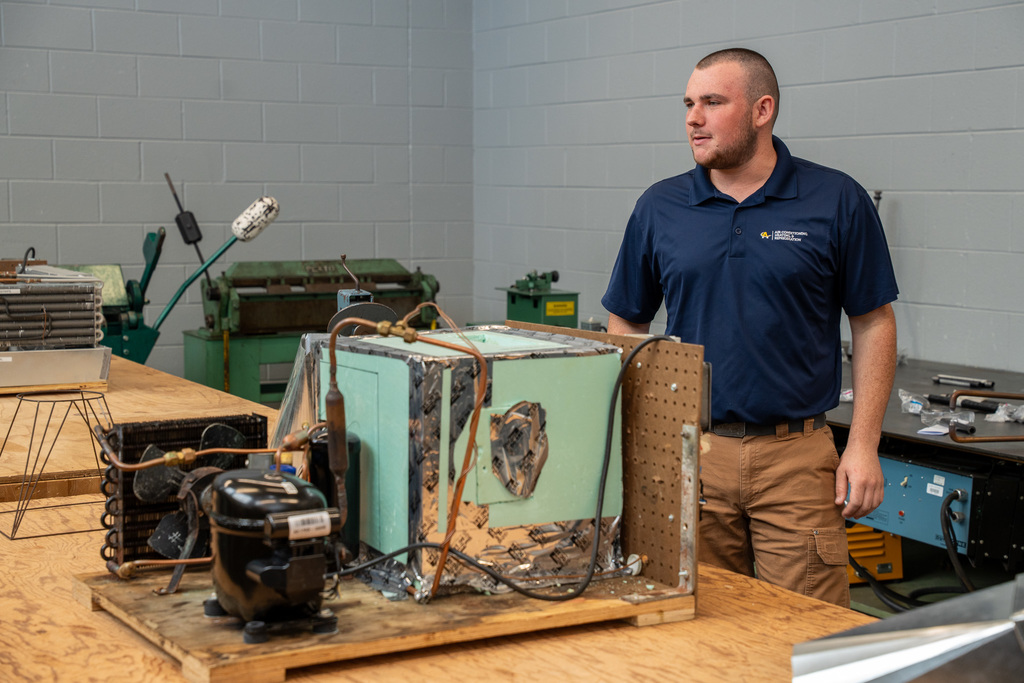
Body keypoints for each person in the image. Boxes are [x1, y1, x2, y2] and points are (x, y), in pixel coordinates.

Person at [601, 48, 898, 607]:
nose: (693, 118)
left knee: (807, 628)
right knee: (700, 622)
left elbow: (874, 322)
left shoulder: (836, 200)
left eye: (713, 102)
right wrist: (646, 439)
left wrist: (863, 445)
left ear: (763, 110)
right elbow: (627, 319)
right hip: (696, 454)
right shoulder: (660, 207)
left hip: (797, 460)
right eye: (689, 103)